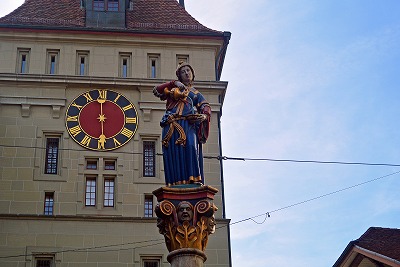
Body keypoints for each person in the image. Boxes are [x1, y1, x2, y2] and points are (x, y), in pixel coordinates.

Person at [153, 62, 211, 187]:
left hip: (188, 123)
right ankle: (175, 182)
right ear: (179, 76)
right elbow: (157, 90)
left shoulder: (195, 93)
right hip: (172, 124)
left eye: (188, 71)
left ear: (192, 74)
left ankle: (193, 179)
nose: (186, 73)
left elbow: (205, 106)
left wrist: (204, 115)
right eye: (183, 71)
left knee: (191, 146)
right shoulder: (174, 89)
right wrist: (174, 83)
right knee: (173, 152)